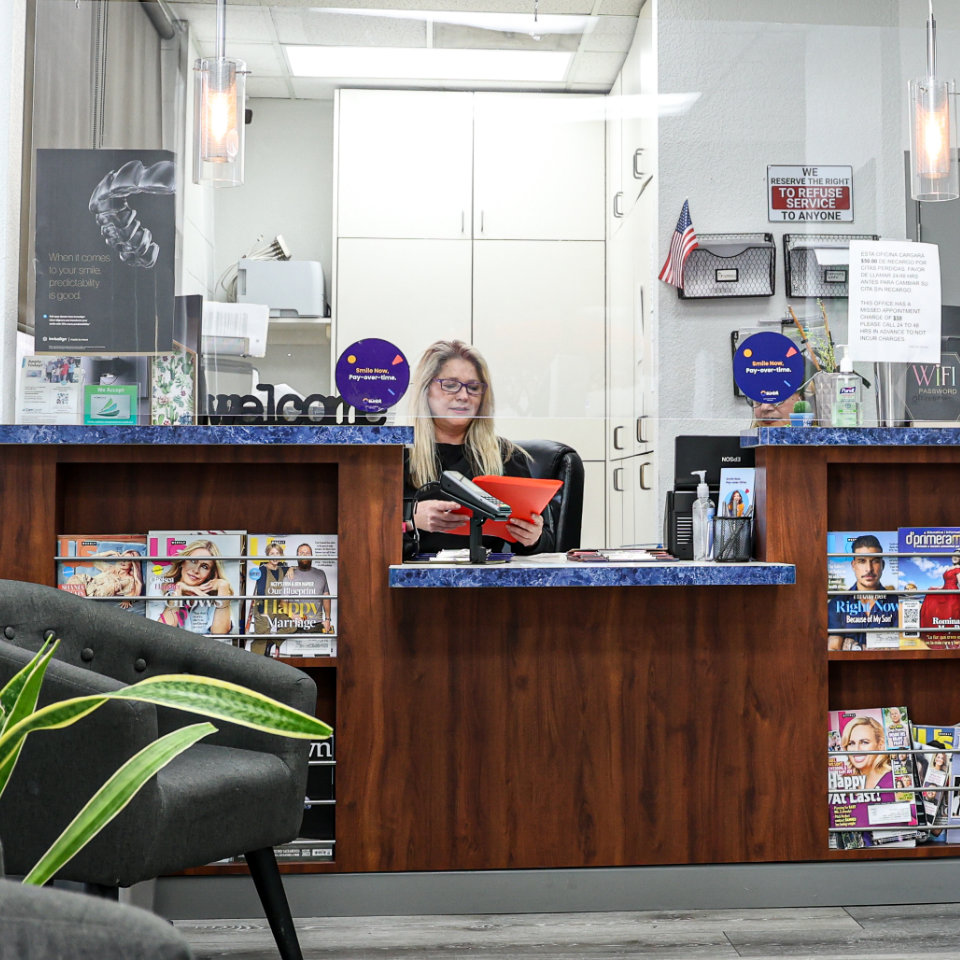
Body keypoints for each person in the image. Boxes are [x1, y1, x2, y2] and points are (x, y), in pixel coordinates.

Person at [403, 340, 554, 557]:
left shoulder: (505, 456)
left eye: (473, 387)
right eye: (451, 384)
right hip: (413, 584)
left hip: (486, 582)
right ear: (426, 390)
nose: (464, 396)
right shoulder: (397, 455)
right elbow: (365, 531)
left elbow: (549, 545)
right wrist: (411, 520)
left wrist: (533, 538)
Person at [827, 534, 898, 651]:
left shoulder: (897, 604)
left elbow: (901, 648)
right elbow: (834, 649)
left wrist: (850, 645)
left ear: (882, 565)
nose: (868, 569)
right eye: (862, 561)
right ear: (853, 565)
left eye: (875, 561)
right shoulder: (836, 604)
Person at [157, 539, 234, 634]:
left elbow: (220, 633)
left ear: (210, 574)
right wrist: (178, 590)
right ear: (182, 562)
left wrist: (223, 587)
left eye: (205, 566)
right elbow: (162, 632)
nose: (196, 570)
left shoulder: (214, 595)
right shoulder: (159, 586)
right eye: (193, 561)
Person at [284, 543, 333, 634]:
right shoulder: (289, 575)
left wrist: (327, 619)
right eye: (301, 552)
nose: (304, 555)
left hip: (317, 624)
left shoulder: (321, 574)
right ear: (297, 555)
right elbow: (283, 602)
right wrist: (293, 615)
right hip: (295, 625)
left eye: (307, 553)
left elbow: (326, 597)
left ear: (312, 555)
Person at [245, 541, 289, 638]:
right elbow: (260, 592)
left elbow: (295, 568)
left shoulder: (283, 569)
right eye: (272, 553)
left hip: (278, 608)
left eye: (277, 553)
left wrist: (291, 569)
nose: (275, 556)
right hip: (264, 608)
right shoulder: (262, 569)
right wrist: (262, 613)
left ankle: (271, 642)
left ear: (281, 555)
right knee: (261, 640)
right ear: (267, 555)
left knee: (291, 626)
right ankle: (260, 650)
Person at [840, 715, 892, 790]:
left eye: (864, 742)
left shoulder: (893, 781)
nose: (856, 750)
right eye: (851, 743)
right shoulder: (842, 783)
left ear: (880, 745)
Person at [920, 553, 960, 642]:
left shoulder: (958, 569)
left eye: (958, 556)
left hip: (952, 593)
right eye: (954, 555)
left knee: (949, 614)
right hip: (945, 590)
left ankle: (951, 637)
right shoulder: (948, 568)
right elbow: (946, 583)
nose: (955, 557)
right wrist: (937, 588)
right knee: (932, 596)